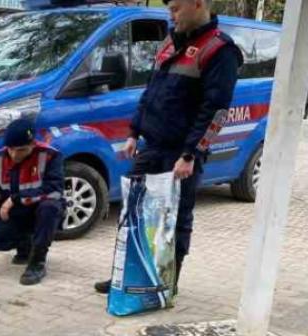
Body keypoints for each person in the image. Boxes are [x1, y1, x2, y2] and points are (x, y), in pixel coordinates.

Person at [94, 0, 243, 295]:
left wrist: (191, 154)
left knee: (174, 219)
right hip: (151, 146)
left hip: (181, 155)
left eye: (176, 8)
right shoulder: (169, 43)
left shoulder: (219, 50)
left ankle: (166, 282)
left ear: (197, 4)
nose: (170, 15)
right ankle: (126, 275)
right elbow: (150, 93)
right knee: (133, 214)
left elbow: (215, 111)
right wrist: (134, 132)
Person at [0, 119, 66, 286]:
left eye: (21, 150)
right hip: (15, 214)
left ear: (33, 144)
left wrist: (15, 198)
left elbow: (54, 190)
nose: (15, 155)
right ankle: (25, 245)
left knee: (49, 207)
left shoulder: (50, 156)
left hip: (41, 210)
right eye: (11, 149)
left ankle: (37, 262)